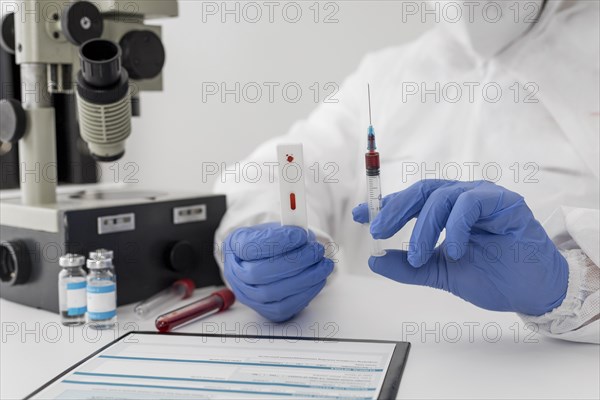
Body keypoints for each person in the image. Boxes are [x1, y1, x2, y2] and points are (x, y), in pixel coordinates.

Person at [214, 0, 599, 343]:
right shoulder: (386, 73)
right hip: (386, 358)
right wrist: (265, 243)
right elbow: (287, 166)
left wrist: (568, 287)